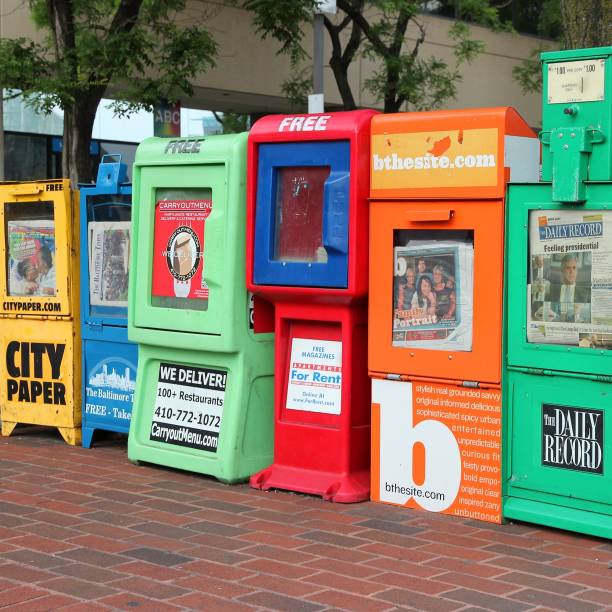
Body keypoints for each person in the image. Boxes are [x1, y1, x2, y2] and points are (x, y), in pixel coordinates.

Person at [547, 253, 590, 321]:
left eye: (574, 268)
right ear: (562, 270)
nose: (571, 271)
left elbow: (586, 318)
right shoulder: (552, 289)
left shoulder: (585, 292)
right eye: (568, 268)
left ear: (577, 271)